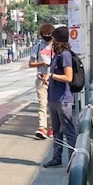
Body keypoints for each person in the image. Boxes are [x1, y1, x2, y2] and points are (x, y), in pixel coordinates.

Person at [42, 26, 77, 168]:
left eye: (54, 38)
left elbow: (69, 77)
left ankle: (73, 160)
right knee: (56, 131)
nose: (52, 41)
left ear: (58, 39)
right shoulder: (57, 55)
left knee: (68, 131)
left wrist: (52, 75)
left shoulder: (65, 55)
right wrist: (47, 78)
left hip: (63, 99)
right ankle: (57, 157)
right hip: (53, 97)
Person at [28, 23, 55, 140]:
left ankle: (52, 127)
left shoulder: (56, 46)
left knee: (53, 105)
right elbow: (30, 63)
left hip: (54, 79)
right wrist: (41, 64)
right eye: (45, 36)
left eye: (49, 35)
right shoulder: (38, 46)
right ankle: (42, 127)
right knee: (42, 104)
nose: (47, 38)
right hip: (41, 79)